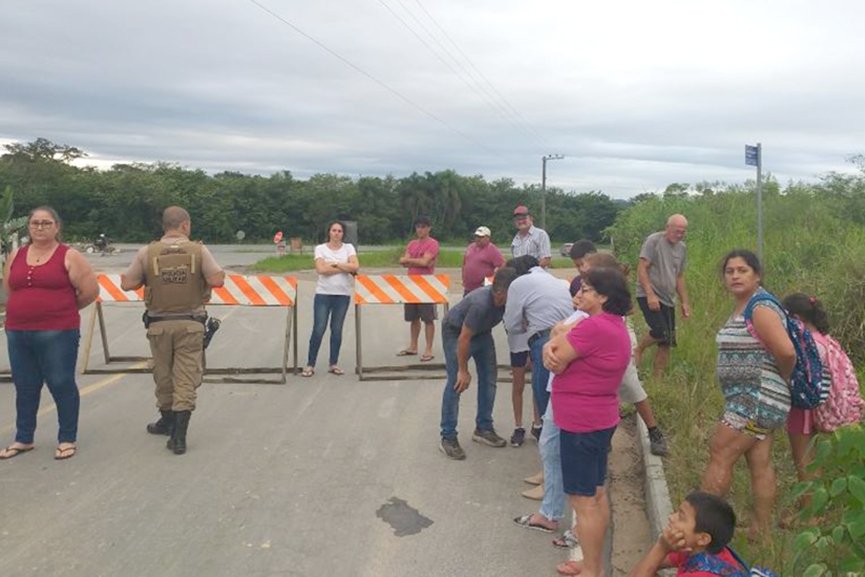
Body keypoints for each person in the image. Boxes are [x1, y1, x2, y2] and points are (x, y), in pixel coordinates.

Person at [542, 267, 633, 577]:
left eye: (587, 289)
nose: (579, 293)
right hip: (599, 418)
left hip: (580, 423)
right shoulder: (612, 325)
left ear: (604, 297)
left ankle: (592, 570)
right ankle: (591, 563)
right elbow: (555, 346)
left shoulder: (592, 328)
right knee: (595, 493)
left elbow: (555, 355)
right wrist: (551, 346)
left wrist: (549, 347)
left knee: (583, 501)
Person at [701, 249, 795, 540]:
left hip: (753, 401)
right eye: (730, 271)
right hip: (754, 400)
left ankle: (699, 530)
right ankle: (761, 531)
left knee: (721, 453)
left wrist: (780, 378)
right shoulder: (745, 306)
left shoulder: (760, 307)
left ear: (757, 275)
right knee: (760, 461)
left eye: (742, 270)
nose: (735, 276)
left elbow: (786, 351)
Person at [121, 206, 225, 455]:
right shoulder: (199, 250)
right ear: (185, 226)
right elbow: (217, 280)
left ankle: (166, 420)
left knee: (163, 375)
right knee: (186, 377)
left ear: (164, 226)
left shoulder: (147, 252)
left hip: (158, 325)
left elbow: (127, 283)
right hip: (190, 324)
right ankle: (179, 436)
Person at [0, 206, 99, 461]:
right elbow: (10, 287)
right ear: (29, 227)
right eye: (35, 223)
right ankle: (24, 438)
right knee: (25, 385)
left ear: (56, 226)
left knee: (60, 382)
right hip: (18, 331)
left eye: (46, 223)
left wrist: (62, 310)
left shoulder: (70, 255)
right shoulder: (18, 254)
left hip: (58, 332)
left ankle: (67, 437)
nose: (40, 228)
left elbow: (89, 291)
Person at [780, 293, 864, 525]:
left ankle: (811, 514)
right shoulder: (825, 339)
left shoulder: (805, 342)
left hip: (803, 407)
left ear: (795, 318)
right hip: (824, 407)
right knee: (814, 459)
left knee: (805, 460)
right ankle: (812, 509)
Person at [439, 267, 519, 460]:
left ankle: (483, 428)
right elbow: (464, 338)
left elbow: (511, 325)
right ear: (500, 293)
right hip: (456, 332)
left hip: (482, 333)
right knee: (456, 383)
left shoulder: (507, 302)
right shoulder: (481, 304)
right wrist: (462, 370)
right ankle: (448, 436)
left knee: (490, 379)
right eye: (514, 291)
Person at [628, 492, 746, 577]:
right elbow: (652, 563)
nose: (671, 517)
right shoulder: (702, 551)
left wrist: (660, 547)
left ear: (703, 539)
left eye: (681, 516)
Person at [634, 214, 691, 378]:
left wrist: (684, 302)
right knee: (660, 331)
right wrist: (650, 294)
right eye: (676, 231)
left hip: (668, 299)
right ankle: (639, 349)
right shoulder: (654, 241)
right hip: (648, 294)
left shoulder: (682, 248)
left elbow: (679, 276)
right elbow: (642, 267)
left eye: (683, 232)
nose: (679, 235)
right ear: (668, 227)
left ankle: (657, 380)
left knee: (667, 341)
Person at [301, 220, 359, 377]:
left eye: (339, 231)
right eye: (334, 230)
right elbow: (321, 269)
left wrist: (333, 264)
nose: (336, 233)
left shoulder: (348, 248)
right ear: (329, 232)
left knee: (337, 329)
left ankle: (333, 363)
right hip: (324, 294)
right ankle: (310, 364)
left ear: (343, 234)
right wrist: (343, 266)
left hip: (342, 294)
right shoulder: (320, 248)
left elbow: (354, 266)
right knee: (319, 328)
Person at [397, 215, 440, 362]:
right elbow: (404, 261)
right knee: (413, 317)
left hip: (426, 284)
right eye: (418, 227)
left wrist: (410, 261)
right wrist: (416, 261)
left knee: (428, 318)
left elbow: (425, 262)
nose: (420, 230)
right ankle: (413, 346)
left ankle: (428, 349)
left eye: (423, 227)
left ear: (429, 228)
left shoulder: (433, 244)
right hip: (410, 284)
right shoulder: (412, 244)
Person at [461, 225, 505, 295]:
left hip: (482, 289)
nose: (478, 239)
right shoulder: (470, 247)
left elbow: (502, 266)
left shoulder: (492, 249)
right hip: (468, 288)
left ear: (488, 238)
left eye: (481, 237)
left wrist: (491, 279)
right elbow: (465, 263)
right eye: (477, 236)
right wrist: (463, 277)